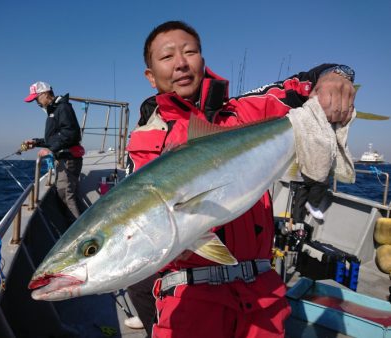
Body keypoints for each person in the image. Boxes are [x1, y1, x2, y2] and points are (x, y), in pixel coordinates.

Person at [125, 21, 356, 338]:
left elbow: (308, 81)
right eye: (167, 57)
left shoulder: (249, 110)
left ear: (202, 61)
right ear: (151, 76)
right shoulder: (146, 139)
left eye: (190, 51)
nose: (181, 62)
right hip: (190, 299)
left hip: (261, 294)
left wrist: (336, 77)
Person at [23, 81, 85, 224]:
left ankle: (79, 232)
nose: (37, 103)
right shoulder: (55, 109)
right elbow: (56, 137)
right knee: (68, 194)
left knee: (65, 195)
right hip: (65, 158)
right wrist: (36, 142)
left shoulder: (62, 108)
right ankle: (79, 224)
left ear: (45, 94)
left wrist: (51, 149)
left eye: (36, 98)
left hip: (68, 160)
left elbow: (71, 133)